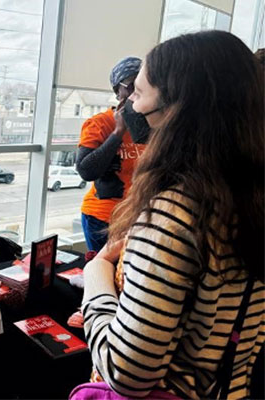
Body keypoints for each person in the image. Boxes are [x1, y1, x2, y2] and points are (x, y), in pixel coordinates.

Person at [81, 31, 264, 399]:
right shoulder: (247, 198)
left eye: (139, 92)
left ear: (175, 106)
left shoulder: (176, 212)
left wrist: (96, 277)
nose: (131, 101)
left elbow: (126, 372)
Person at [76, 57, 146, 252]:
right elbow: (86, 170)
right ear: (118, 91)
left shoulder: (150, 124)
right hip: (103, 219)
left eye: (144, 86)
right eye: (132, 86)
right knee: (105, 276)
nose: (137, 93)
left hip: (137, 217)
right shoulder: (100, 123)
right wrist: (118, 132)